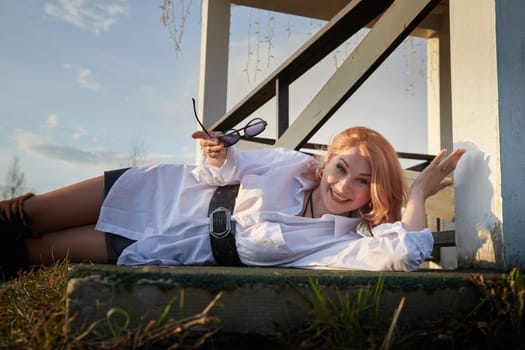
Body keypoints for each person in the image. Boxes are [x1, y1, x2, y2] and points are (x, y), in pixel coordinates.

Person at [0, 125, 465, 280]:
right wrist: (219, 153)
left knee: (30, 253)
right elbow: (218, 174)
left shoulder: (337, 245)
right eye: (341, 169)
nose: (345, 186)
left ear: (372, 195)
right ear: (325, 164)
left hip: (166, 243)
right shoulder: (288, 164)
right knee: (26, 214)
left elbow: (405, 251)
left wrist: (420, 191)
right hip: (162, 192)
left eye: (363, 182)